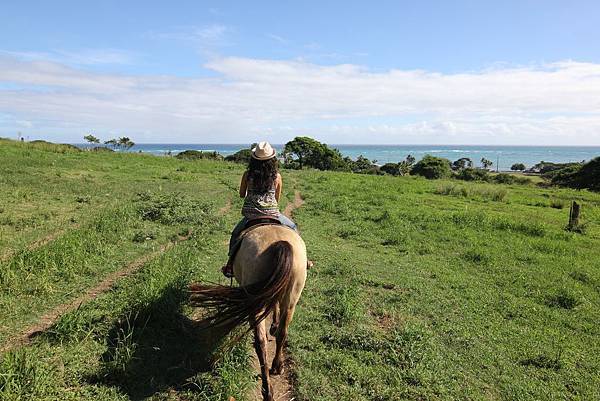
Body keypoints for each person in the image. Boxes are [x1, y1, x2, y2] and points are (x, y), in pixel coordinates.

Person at [222, 141, 299, 277]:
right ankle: (303, 262)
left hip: (251, 216)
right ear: (272, 159)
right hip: (272, 214)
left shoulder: (248, 175)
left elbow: (241, 194)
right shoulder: (277, 176)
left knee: (235, 235)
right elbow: (277, 198)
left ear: (254, 159)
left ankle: (230, 266)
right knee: (292, 228)